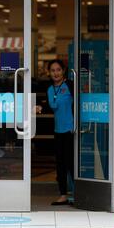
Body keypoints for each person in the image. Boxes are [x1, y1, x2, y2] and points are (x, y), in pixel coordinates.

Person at [46, 60, 75, 206]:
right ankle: (63, 194)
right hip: (58, 131)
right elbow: (52, 106)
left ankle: (77, 194)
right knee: (60, 165)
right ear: (49, 73)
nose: (56, 73)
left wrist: (76, 124)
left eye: (58, 70)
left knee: (71, 163)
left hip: (71, 130)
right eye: (52, 70)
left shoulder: (70, 85)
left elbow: (78, 105)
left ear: (63, 71)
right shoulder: (50, 89)